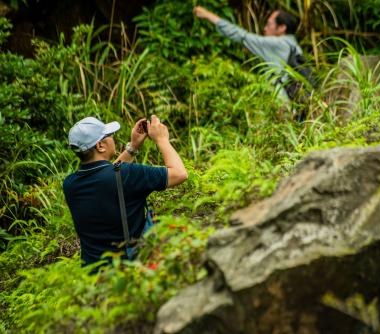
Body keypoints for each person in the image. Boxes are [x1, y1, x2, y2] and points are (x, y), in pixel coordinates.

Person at [63, 115, 188, 267]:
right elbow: (179, 174)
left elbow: (107, 174)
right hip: (129, 273)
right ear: (100, 146)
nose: (112, 137)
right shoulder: (128, 175)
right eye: (108, 135)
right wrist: (161, 139)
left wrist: (133, 147)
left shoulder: (70, 185)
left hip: (93, 278)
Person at [193, 6, 303, 102]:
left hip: (282, 100)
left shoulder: (277, 44)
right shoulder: (294, 46)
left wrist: (208, 15)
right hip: (294, 100)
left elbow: (242, 36)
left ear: (282, 28)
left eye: (269, 24)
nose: (264, 29)